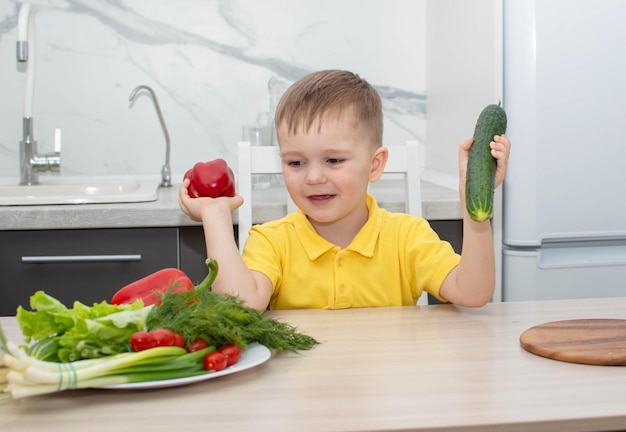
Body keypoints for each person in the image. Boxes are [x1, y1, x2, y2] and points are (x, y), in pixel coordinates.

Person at [179, 69, 511, 311]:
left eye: (333, 160)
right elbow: (240, 305)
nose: (312, 177)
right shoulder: (272, 241)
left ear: (375, 164)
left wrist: (475, 207)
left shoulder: (407, 236)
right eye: (296, 163)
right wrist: (215, 214)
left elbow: (474, 293)